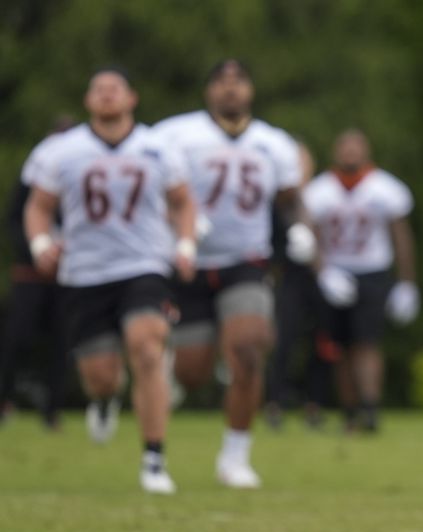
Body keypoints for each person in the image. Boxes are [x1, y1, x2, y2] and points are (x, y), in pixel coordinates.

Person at [23, 67, 197, 493]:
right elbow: (38, 207)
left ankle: (154, 458)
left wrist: (187, 244)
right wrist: (41, 242)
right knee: (101, 375)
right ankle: (104, 400)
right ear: (88, 101)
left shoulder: (157, 147)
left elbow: (182, 203)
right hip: (85, 271)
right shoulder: (62, 151)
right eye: (97, 89)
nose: (106, 96)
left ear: (131, 97)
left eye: (113, 89)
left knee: (148, 345)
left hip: (144, 265)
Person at [153, 59, 308, 488]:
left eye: (238, 81)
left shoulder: (273, 143)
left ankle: (235, 457)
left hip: (247, 261)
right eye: (221, 82)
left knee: (247, 352)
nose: (230, 89)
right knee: (192, 373)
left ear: (251, 90)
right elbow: (152, 187)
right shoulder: (175, 135)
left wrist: (298, 229)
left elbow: (290, 197)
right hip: (190, 262)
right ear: (208, 92)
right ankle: (177, 368)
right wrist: (177, 223)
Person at [303, 129, 419, 433]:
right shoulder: (320, 190)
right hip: (335, 272)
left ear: (367, 150)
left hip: (372, 272)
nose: (350, 153)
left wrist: (407, 282)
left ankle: (370, 407)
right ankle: (350, 411)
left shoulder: (385, 188)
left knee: (367, 343)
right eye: (345, 147)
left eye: (356, 147)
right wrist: (322, 272)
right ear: (335, 151)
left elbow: (401, 236)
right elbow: (309, 236)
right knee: (339, 346)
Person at [0, 115, 75, 431]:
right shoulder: (35, 175)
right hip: (31, 272)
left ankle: (52, 409)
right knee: (16, 338)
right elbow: (16, 219)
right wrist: (38, 250)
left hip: (69, 271)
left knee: (63, 341)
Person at [264, 140, 330, 430]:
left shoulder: (323, 193)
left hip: (321, 278)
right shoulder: (276, 200)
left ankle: (315, 403)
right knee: (283, 340)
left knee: (322, 341)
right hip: (286, 277)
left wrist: (323, 267)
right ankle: (275, 402)